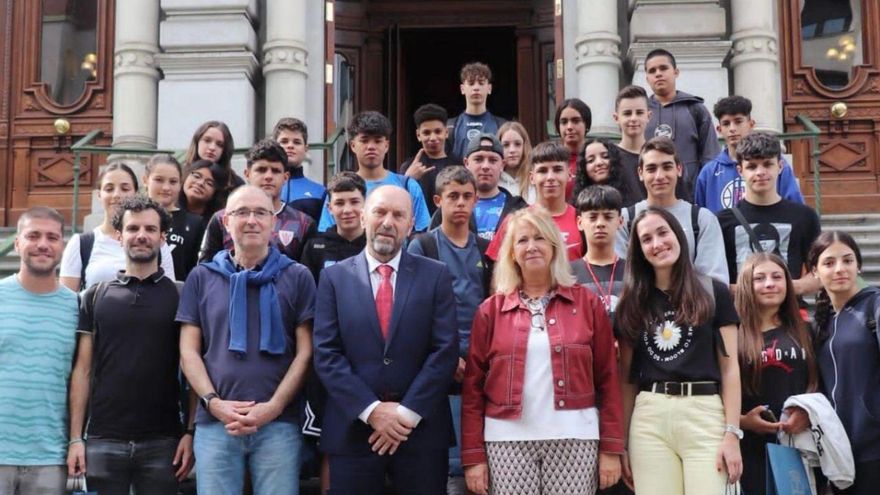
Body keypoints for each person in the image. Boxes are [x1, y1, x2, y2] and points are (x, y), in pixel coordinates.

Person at [461, 208, 624, 495]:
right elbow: (473, 389)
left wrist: (611, 446)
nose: (532, 246)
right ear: (511, 252)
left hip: (575, 438)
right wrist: (473, 456)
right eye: (522, 240)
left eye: (539, 238)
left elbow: (608, 378)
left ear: (553, 246)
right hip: (506, 441)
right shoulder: (490, 311)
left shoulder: (587, 304)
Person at [313, 185, 459, 495]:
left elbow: (444, 350)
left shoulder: (436, 275)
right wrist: (372, 410)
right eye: (380, 212)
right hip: (354, 430)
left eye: (398, 215)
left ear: (410, 225)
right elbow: (326, 353)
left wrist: (404, 415)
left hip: (420, 433)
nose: (388, 222)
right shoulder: (334, 278)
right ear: (364, 217)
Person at [177, 185, 316, 495]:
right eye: (242, 212)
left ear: (273, 222)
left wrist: (274, 406)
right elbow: (188, 351)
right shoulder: (201, 277)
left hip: (279, 425)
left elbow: (306, 352)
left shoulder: (298, 276)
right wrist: (214, 403)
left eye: (260, 213)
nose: (251, 220)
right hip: (216, 424)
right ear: (226, 221)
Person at [67, 196, 195, 495]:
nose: (141, 235)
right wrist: (76, 438)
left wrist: (190, 432)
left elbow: (193, 370)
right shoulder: (94, 296)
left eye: (150, 229)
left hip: (164, 441)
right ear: (119, 236)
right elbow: (83, 371)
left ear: (162, 237)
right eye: (133, 228)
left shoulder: (182, 295)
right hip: (102, 439)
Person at [616, 207, 742, 495]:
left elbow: (730, 368)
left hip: (705, 412)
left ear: (679, 235)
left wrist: (732, 434)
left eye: (663, 232)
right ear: (639, 250)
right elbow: (627, 378)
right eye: (646, 239)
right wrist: (622, 442)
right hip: (650, 418)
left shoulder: (714, 291)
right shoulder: (632, 303)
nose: (657, 243)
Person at [408, 166, 492, 494]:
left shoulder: (487, 249)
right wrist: (443, 357)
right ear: (437, 200)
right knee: (448, 465)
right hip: (438, 366)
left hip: (482, 365)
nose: (460, 203)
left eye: (467, 196)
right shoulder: (423, 246)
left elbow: (493, 306)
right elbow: (414, 313)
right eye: (453, 196)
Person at [0, 207, 78, 494]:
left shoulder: (78, 307)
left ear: (63, 246)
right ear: (18, 242)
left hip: (51, 458)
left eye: (52, 237)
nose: (43, 244)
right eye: (33, 235)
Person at [733, 252, 818, 495]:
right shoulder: (732, 334)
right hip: (749, 448)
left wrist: (807, 414)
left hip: (802, 443)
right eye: (759, 278)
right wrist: (742, 421)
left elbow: (820, 382)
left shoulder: (806, 330)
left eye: (777, 277)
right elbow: (717, 394)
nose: (769, 284)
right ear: (746, 286)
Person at [808, 231, 880, 494]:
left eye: (848, 261)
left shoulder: (874, 305)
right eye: (829, 263)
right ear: (814, 271)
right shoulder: (819, 325)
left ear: (858, 265)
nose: (840, 269)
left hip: (874, 448)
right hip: (837, 453)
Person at [717, 132, 821, 296]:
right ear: (740, 170)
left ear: (780, 166)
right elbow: (715, 280)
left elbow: (819, 272)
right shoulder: (721, 221)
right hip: (740, 317)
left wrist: (785, 288)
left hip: (789, 315)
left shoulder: (805, 217)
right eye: (751, 166)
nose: (760, 172)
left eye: (767, 164)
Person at [614, 137, 728, 284]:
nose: (659, 176)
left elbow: (714, 282)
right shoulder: (624, 220)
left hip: (692, 304)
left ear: (679, 169)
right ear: (640, 173)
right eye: (651, 169)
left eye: (667, 167)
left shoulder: (702, 219)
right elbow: (619, 281)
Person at [60, 163, 175, 291]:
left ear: (136, 193)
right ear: (99, 195)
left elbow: (169, 293)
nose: (116, 195)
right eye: (109, 189)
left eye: (125, 189)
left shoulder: (157, 244)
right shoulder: (81, 244)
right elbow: (68, 300)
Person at [200, 138, 316, 263]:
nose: (268, 176)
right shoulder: (223, 218)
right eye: (261, 170)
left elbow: (305, 278)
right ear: (247, 174)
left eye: (275, 171)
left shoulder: (304, 224)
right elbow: (206, 271)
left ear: (286, 177)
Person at [317, 111, 431, 233]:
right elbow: (326, 233)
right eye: (364, 140)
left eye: (377, 141)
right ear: (353, 145)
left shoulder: (408, 186)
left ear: (386, 146)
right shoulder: (339, 189)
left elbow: (423, 233)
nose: (371, 146)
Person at [695, 95, 804, 213]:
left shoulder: (774, 165)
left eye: (738, 122)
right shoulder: (709, 172)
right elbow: (701, 216)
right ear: (719, 129)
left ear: (751, 124)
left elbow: (795, 208)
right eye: (726, 123)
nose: (732, 129)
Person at [487, 141, 585, 261]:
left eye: (557, 170)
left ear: (569, 175)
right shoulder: (514, 221)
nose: (550, 177)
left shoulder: (583, 221)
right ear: (532, 178)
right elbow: (499, 272)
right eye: (543, 171)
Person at [643, 49, 720, 196]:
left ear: (676, 72)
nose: (658, 73)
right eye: (652, 71)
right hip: (649, 197)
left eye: (663, 68)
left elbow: (710, 155)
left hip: (690, 197)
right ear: (647, 78)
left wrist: (702, 191)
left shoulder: (695, 109)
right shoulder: (640, 112)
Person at [453, 133, 528, 241]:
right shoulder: (450, 208)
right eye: (478, 159)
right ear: (466, 163)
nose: (485, 166)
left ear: (502, 165)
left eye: (493, 160)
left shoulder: (520, 208)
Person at [144, 153, 205, 280]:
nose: (166, 187)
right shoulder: (132, 219)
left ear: (180, 184)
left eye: (173, 181)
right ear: (145, 180)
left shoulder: (195, 223)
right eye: (159, 180)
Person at [572, 185, 627, 324]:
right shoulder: (568, 274)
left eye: (608, 217)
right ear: (579, 222)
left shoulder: (633, 271)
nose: (600, 223)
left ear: (620, 222)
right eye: (593, 217)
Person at [300, 171, 368, 282]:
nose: (347, 210)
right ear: (329, 208)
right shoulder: (314, 248)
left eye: (354, 202)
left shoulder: (375, 245)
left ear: (365, 204)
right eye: (339, 203)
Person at [400, 103, 458, 215]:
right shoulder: (409, 167)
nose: (432, 138)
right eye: (426, 133)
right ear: (418, 135)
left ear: (446, 132)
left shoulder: (458, 165)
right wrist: (408, 179)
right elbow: (398, 202)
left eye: (437, 132)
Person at [447, 62, 506, 161]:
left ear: (489, 88)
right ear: (462, 89)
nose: (476, 88)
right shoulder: (449, 127)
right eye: (471, 83)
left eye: (481, 83)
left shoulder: (502, 125)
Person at [276, 117, 326, 221]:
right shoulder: (265, 187)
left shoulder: (320, 192)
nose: (290, 146)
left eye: (297, 142)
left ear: (306, 148)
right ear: (275, 145)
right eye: (284, 141)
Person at [182, 120, 244, 203]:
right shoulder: (179, 173)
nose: (212, 148)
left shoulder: (235, 183)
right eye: (207, 140)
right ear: (197, 142)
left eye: (219, 144)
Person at [612, 85, 651, 204]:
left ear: (648, 116)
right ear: (616, 118)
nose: (633, 118)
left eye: (639, 113)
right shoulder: (608, 158)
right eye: (627, 113)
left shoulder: (659, 156)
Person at [572, 138, 638, 208]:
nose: (599, 163)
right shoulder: (578, 205)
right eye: (591, 160)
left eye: (605, 157)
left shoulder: (632, 202)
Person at [554, 98, 592, 200]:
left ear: (586, 124)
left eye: (575, 121)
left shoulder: (596, 159)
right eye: (564, 122)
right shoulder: (552, 160)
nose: (569, 127)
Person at [497, 121, 534, 201]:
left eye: (517, 144)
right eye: (506, 145)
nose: (512, 150)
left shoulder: (535, 179)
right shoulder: (493, 182)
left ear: (525, 146)